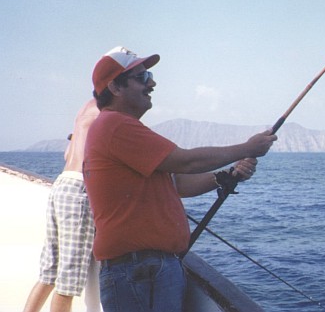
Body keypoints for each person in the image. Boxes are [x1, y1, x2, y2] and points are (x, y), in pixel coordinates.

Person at [83, 46, 277, 312]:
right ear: (115, 87)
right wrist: (247, 148)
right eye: (141, 77)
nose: (152, 82)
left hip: (148, 270)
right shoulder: (115, 126)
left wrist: (228, 176)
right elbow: (186, 161)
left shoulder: (124, 129)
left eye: (148, 74)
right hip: (137, 271)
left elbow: (179, 184)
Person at [23, 99, 101, 312]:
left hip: (63, 183)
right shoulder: (107, 110)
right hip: (80, 190)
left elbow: (68, 154)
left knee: (50, 272)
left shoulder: (86, 109)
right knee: (69, 280)